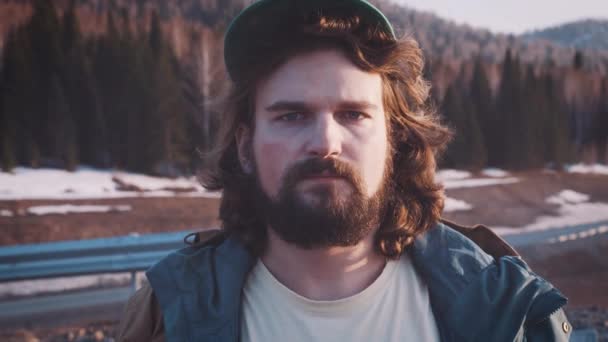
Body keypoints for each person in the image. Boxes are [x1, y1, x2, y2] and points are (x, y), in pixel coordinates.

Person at [118, 1, 571, 341]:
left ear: (394, 140)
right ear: (245, 146)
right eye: (291, 115)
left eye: (353, 114)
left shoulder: (509, 310)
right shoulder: (167, 316)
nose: (325, 143)